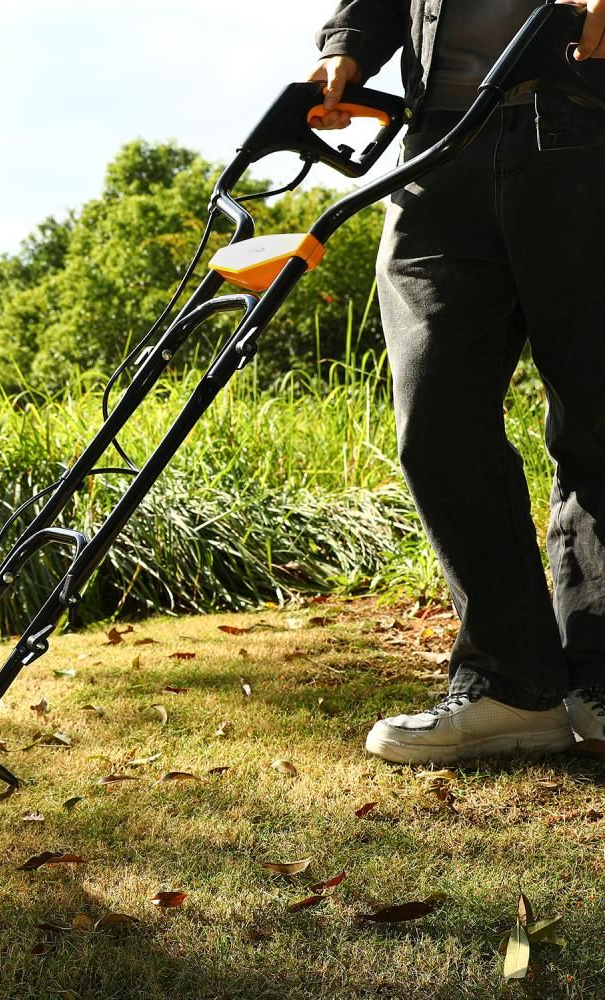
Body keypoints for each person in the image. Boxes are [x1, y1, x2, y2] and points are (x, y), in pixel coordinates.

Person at [308, 0, 605, 763]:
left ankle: (602, 681)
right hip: (439, 146)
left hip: (586, 125)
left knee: (598, 417)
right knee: (436, 420)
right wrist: (347, 46)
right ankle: (511, 686)